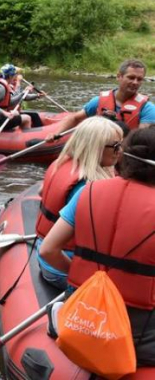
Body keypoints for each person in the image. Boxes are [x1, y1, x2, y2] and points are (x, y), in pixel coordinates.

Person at [40, 127, 155, 365]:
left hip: (82, 307)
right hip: (136, 331)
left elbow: (47, 250)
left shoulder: (89, 191)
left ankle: (62, 314)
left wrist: (83, 278)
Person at [34, 117, 123, 289]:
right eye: (115, 146)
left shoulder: (62, 163)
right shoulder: (87, 188)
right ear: (95, 147)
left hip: (45, 255)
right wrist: (78, 277)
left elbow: (41, 192)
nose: (120, 151)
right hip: (61, 267)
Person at [47, 60, 153, 141]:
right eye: (131, 77)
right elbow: (74, 118)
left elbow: (140, 140)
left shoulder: (148, 109)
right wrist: (56, 133)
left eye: (139, 79)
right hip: (99, 147)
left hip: (124, 151)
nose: (135, 82)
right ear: (119, 76)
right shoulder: (98, 101)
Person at [0, 63, 42, 131]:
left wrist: (23, 93)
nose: (15, 77)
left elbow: (9, 102)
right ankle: (26, 139)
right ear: (10, 76)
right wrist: (4, 113)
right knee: (27, 118)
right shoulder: (0, 88)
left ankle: (16, 133)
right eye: (14, 75)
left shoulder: (3, 84)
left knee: (17, 113)